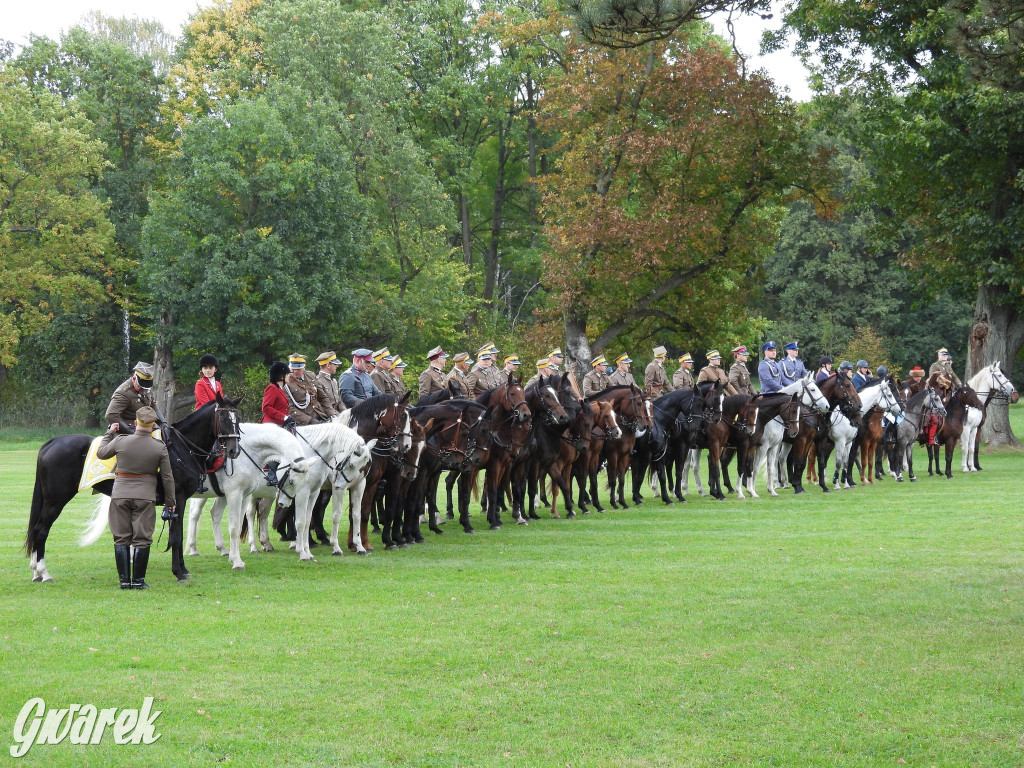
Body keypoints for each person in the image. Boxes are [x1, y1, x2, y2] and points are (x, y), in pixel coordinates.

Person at [96, 406, 174, 590]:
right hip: (145, 496)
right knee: (142, 538)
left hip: (120, 494)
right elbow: (167, 477)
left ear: (135, 422)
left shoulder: (121, 441)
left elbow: (101, 453)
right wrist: (170, 503)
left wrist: (109, 433)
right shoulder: (159, 448)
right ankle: (138, 581)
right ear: (154, 425)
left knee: (121, 538)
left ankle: (124, 581)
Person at [105, 362, 156, 433]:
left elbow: (153, 407)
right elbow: (111, 415)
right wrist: (130, 432)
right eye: (141, 387)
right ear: (134, 379)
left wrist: (163, 423)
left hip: (146, 427)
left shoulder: (147, 390)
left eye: (146, 388)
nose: (144, 390)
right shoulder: (124, 393)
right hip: (126, 429)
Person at [282, 354, 324, 425]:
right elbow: (289, 408)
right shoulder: (285, 383)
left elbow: (323, 397)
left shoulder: (311, 375)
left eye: (298, 369)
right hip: (303, 422)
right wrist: (310, 420)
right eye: (292, 369)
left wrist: (332, 413)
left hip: (320, 415)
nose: (295, 371)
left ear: (304, 367)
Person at [314, 352, 343, 418]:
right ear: (328, 365)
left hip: (337, 414)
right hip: (327, 416)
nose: (337, 366)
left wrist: (346, 413)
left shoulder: (333, 381)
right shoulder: (318, 381)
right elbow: (323, 403)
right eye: (335, 364)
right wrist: (336, 415)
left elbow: (339, 401)